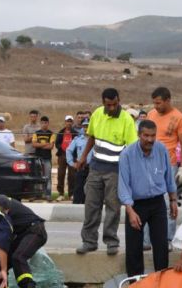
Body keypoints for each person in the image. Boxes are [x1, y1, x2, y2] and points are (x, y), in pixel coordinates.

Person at [74, 88, 138, 255]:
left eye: (115, 104)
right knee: (91, 206)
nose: (112, 108)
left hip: (115, 171)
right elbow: (92, 137)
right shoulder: (97, 114)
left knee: (113, 207)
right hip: (95, 168)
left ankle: (111, 242)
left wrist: (130, 174)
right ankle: (89, 241)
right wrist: (83, 157)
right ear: (103, 103)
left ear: (119, 101)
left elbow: (132, 148)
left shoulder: (126, 119)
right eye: (108, 105)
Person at [118, 120, 178, 276]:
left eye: (153, 136)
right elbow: (123, 185)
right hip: (136, 205)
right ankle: (135, 282)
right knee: (134, 247)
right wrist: (130, 211)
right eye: (146, 136)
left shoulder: (161, 150)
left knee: (161, 244)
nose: (150, 139)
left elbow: (169, 177)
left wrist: (173, 200)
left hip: (158, 203)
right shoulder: (127, 154)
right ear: (139, 135)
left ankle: (161, 279)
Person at [147, 86, 182, 244]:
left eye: (158, 103)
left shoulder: (179, 118)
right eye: (154, 103)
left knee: (168, 201)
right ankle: (147, 240)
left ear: (168, 100)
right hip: (149, 163)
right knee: (147, 200)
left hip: (168, 165)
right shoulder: (151, 114)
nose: (156, 106)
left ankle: (168, 239)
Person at [67, 118, 93, 204]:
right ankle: (76, 207)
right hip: (81, 167)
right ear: (82, 127)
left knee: (92, 190)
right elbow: (69, 150)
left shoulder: (96, 140)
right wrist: (72, 163)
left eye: (88, 126)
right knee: (78, 188)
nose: (86, 128)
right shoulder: (77, 139)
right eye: (84, 126)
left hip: (93, 168)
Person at [32, 116, 56, 200]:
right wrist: (46, 144)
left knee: (47, 176)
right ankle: (37, 194)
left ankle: (48, 194)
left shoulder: (51, 134)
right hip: (38, 158)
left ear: (48, 123)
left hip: (47, 158)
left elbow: (51, 146)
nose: (44, 124)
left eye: (45, 123)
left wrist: (39, 145)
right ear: (40, 123)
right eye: (42, 123)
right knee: (37, 176)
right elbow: (34, 144)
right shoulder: (36, 133)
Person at [55, 115, 78, 200]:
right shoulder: (61, 132)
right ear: (65, 122)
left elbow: (77, 144)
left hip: (72, 156)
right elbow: (57, 143)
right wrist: (61, 148)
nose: (69, 123)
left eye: (70, 121)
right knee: (61, 174)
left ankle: (71, 194)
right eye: (67, 121)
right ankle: (61, 194)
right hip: (62, 155)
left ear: (72, 122)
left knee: (72, 175)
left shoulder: (75, 133)